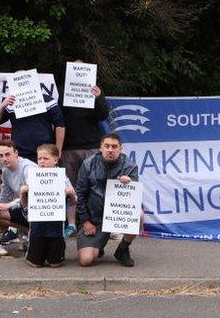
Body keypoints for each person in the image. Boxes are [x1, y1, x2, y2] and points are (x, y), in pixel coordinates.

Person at [76, 133, 139, 267]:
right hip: (94, 219)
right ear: (101, 148)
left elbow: (134, 198)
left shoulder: (130, 166)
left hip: (117, 215)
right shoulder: (88, 164)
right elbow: (80, 194)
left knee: (139, 215)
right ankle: (98, 247)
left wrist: (130, 183)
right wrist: (85, 221)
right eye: (107, 146)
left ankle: (123, 249)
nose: (110, 149)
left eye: (114, 146)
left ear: (120, 149)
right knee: (86, 260)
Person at [61, 72, 109, 237]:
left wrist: (99, 96)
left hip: (91, 146)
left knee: (96, 185)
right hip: (69, 147)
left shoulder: (94, 92)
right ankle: (72, 224)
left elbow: (104, 115)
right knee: (70, 187)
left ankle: (100, 223)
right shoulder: (63, 93)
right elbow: (58, 119)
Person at [26, 144, 76, 267]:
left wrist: (71, 193)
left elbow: (74, 202)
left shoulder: (62, 177)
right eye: (39, 159)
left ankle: (56, 254)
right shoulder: (32, 176)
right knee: (35, 263)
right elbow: (23, 203)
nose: (42, 162)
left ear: (55, 160)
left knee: (55, 263)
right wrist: (23, 192)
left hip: (55, 227)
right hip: (37, 226)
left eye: (46, 158)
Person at [0, 140, 35, 253]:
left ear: (16, 153)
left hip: (41, 208)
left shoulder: (28, 167)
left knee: (8, 208)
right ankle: (29, 233)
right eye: (1, 156)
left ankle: (35, 235)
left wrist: (8, 205)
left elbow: (33, 195)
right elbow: (5, 196)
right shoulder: (5, 171)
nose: (4, 158)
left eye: (8, 154)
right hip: (25, 208)